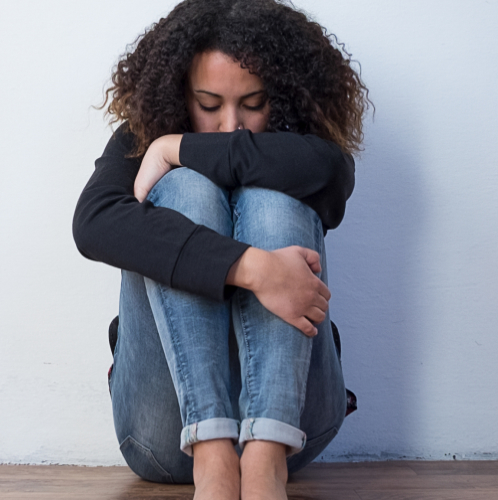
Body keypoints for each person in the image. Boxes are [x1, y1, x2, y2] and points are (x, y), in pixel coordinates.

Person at [72, 0, 369, 498]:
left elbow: (333, 173)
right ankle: (211, 456)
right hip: (163, 439)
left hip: (296, 428)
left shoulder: (305, 147)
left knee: (273, 197)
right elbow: (94, 223)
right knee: (185, 193)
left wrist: (176, 148)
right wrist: (254, 268)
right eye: (208, 106)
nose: (231, 124)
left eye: (253, 104)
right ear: (178, 92)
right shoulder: (142, 133)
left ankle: (264, 461)